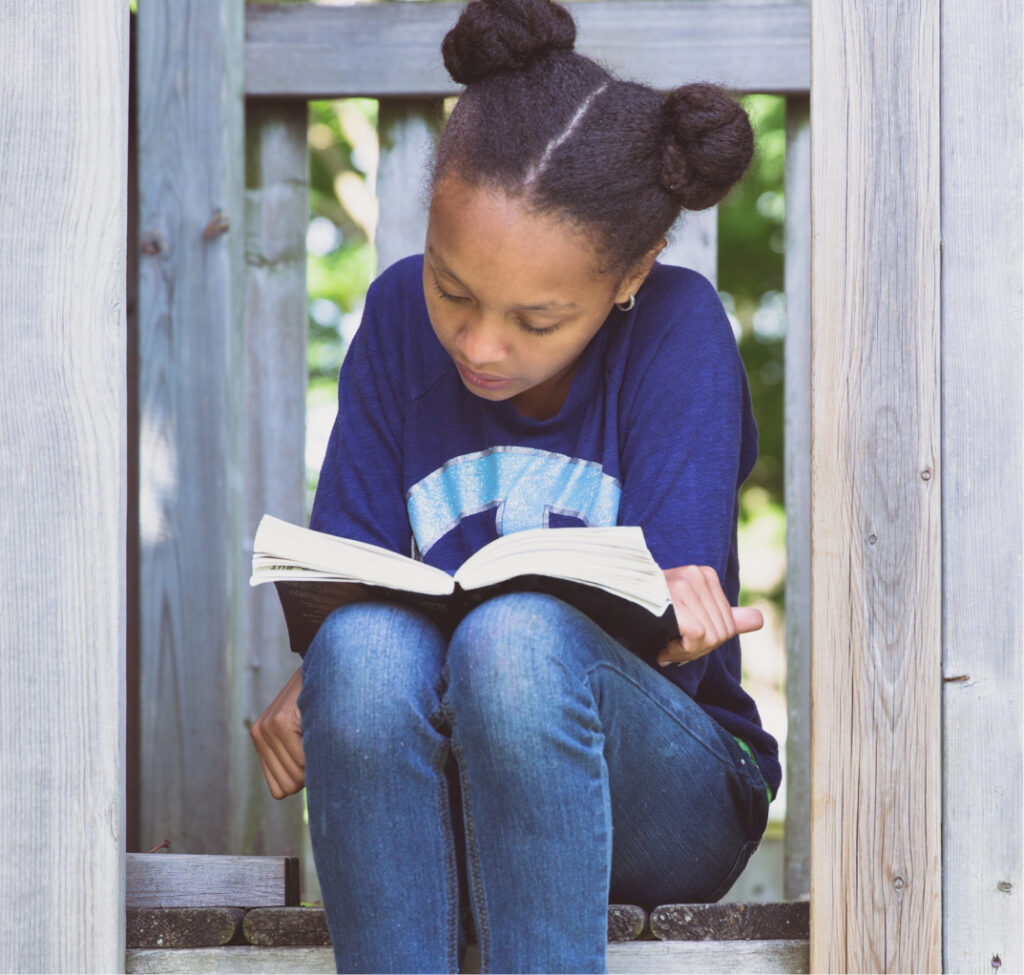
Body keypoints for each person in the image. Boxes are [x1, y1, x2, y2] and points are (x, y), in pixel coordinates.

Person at [250, 0, 779, 971]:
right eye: (453, 289)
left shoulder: (675, 326)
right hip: (453, 779)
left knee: (517, 639)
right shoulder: (394, 318)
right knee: (361, 652)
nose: (480, 344)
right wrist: (315, 684)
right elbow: (352, 591)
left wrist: (681, 615)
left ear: (631, 273)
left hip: (666, 784)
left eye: (537, 320)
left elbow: (670, 634)